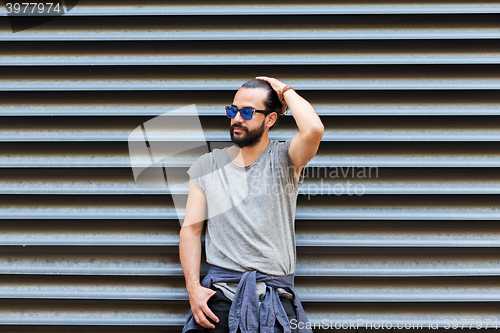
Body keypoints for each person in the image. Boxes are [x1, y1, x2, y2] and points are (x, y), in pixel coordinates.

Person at [180, 76, 324, 333]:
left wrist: (284, 90)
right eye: (233, 110)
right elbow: (191, 230)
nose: (237, 119)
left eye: (247, 112)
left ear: (270, 119)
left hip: (275, 300)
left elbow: (313, 129)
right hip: (220, 299)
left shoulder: (286, 158)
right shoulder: (207, 165)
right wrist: (193, 289)